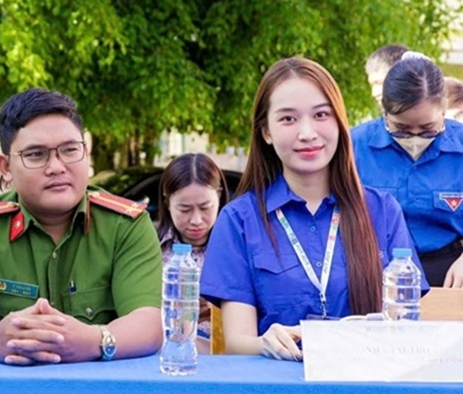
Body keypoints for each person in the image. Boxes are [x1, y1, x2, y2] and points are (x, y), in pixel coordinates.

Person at [201, 57, 424, 361]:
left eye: (321, 114)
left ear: (339, 121)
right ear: (266, 132)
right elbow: (237, 342)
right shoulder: (238, 220)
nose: (307, 133)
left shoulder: (382, 211)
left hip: (362, 378)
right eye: (288, 119)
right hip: (278, 378)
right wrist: (266, 342)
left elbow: (405, 330)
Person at [0, 88, 162, 365]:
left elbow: (148, 323)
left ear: (86, 153)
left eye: (70, 150)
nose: (56, 167)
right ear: (5, 167)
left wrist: (94, 341)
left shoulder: (125, 226)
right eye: (36, 155)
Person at [352, 56, 463, 287]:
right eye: (401, 129)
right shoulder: (355, 146)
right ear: (384, 112)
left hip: (449, 271)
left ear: (443, 111)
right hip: (374, 268)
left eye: (427, 129)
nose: (414, 138)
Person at [157, 153, 229, 354]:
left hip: (223, 354)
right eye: (184, 209)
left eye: (205, 208)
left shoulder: (236, 246)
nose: (196, 220)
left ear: (219, 197)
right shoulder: (150, 250)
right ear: (167, 203)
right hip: (168, 352)